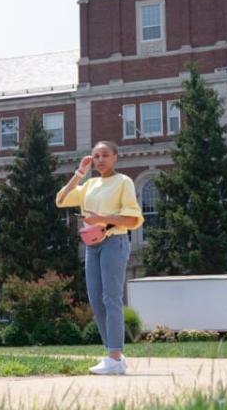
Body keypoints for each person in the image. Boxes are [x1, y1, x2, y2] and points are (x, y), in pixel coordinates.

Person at [56, 141, 143, 375]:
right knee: (96, 299)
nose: (100, 160)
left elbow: (133, 219)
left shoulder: (123, 182)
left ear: (115, 157)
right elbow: (61, 200)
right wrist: (79, 173)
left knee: (111, 298)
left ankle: (115, 356)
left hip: (114, 241)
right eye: (96, 156)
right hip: (91, 245)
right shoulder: (90, 184)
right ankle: (112, 356)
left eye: (105, 155)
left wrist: (102, 218)